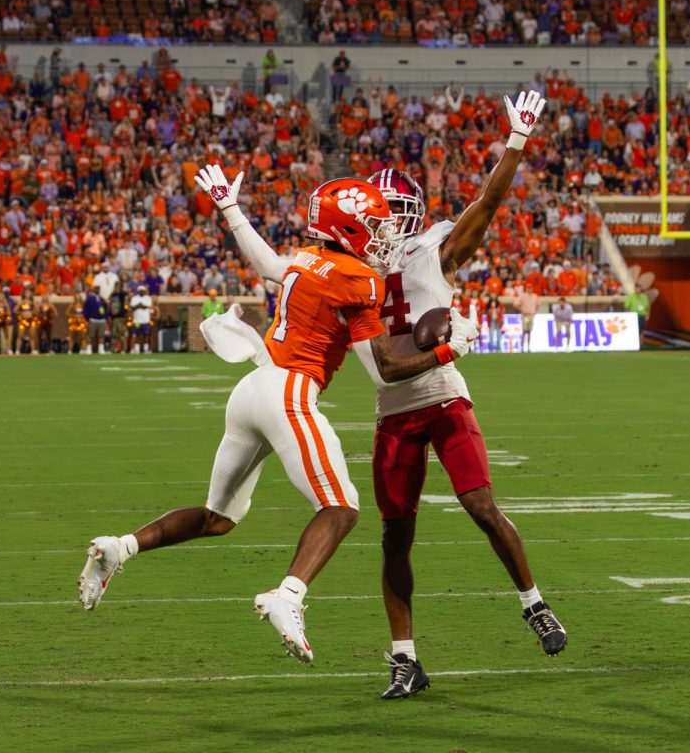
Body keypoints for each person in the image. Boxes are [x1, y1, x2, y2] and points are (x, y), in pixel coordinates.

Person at [76, 169, 478, 668]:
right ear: (349, 231)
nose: (384, 236)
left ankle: (121, 548)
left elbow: (269, 265)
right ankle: (288, 595)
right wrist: (448, 350)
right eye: (375, 226)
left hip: (250, 390)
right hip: (288, 391)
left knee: (217, 517)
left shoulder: (309, 259)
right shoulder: (359, 279)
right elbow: (388, 372)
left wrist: (230, 210)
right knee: (342, 507)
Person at [359, 89, 566, 702]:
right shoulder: (353, 271)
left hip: (445, 399)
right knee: (395, 537)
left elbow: (490, 202)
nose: (376, 223)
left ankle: (533, 602)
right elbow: (385, 366)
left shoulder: (434, 247)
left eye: (386, 212)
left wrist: (518, 143)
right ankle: (405, 660)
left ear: (408, 213)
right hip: (393, 410)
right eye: (370, 214)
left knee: (480, 506)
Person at [129, 284, 154, 354]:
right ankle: (134, 349)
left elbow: (147, 306)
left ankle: (146, 349)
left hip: (145, 320)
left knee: (146, 335)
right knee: (135, 335)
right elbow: (132, 307)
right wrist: (140, 305)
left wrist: (139, 305)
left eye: (143, 291)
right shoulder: (134, 298)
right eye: (140, 291)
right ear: (138, 291)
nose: (142, 292)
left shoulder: (148, 298)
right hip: (136, 320)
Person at [83, 289, 108, 354]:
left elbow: (105, 308)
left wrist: (105, 317)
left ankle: (101, 349)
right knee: (90, 335)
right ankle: (89, 348)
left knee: (101, 335)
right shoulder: (89, 299)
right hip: (92, 319)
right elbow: (86, 308)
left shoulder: (102, 299)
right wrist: (87, 318)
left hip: (101, 320)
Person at [108, 281, 129, 353]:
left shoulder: (122, 294)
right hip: (114, 318)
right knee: (114, 334)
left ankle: (124, 349)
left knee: (121, 334)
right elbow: (110, 305)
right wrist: (110, 315)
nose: (117, 287)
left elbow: (126, 301)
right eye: (116, 286)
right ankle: (112, 349)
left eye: (119, 286)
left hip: (121, 317)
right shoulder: (113, 295)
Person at [517, 284, 539, 352]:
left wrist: (535, 312)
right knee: (524, 331)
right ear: (526, 289)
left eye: (531, 288)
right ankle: (522, 347)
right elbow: (516, 304)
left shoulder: (535, 296)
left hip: (531, 315)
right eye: (528, 288)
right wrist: (521, 310)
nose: (529, 289)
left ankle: (529, 347)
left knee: (529, 331)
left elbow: (538, 305)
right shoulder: (522, 296)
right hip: (525, 315)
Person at [14, 290, 37, 355]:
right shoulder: (21, 302)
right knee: (20, 336)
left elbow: (37, 311)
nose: (27, 294)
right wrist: (21, 313)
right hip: (22, 321)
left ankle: (33, 350)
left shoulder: (32, 303)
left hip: (31, 320)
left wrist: (32, 313)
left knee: (32, 336)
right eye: (26, 292)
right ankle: (17, 350)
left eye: (29, 292)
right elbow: (15, 310)